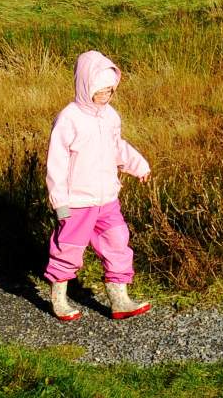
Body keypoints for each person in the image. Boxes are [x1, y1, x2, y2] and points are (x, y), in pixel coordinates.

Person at [44, 49, 152, 322]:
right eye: (100, 90)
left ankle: (120, 299)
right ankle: (59, 298)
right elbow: (56, 163)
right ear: (85, 85)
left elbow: (117, 147)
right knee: (68, 248)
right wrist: (60, 202)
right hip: (77, 202)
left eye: (110, 90)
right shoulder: (69, 119)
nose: (105, 95)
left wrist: (137, 165)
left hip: (107, 199)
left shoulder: (110, 116)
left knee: (118, 242)